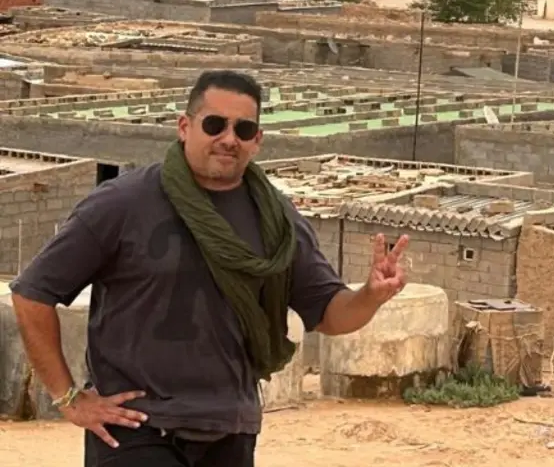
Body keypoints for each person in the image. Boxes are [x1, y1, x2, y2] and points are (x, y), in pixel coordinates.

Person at [9, 70, 411, 467]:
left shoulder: (277, 219)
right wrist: (69, 399)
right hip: (137, 430)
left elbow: (326, 313)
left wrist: (370, 296)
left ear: (258, 140)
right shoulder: (120, 204)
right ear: (185, 127)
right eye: (215, 124)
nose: (228, 139)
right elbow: (32, 293)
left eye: (244, 128)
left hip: (230, 430)